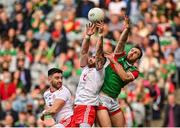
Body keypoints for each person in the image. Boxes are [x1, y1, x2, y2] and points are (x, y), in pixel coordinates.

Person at [96, 16, 143, 127]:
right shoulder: (120, 56)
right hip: (102, 97)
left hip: (114, 100)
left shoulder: (135, 71)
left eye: (136, 53)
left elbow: (125, 77)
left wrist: (114, 62)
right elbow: (121, 42)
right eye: (132, 50)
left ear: (137, 59)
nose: (132, 53)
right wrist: (126, 29)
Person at [72, 21, 108, 127]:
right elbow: (83, 52)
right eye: (91, 57)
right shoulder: (86, 67)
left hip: (88, 105)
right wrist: (87, 36)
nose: (92, 58)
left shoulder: (99, 71)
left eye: (94, 57)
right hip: (78, 105)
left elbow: (98, 53)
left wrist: (100, 35)